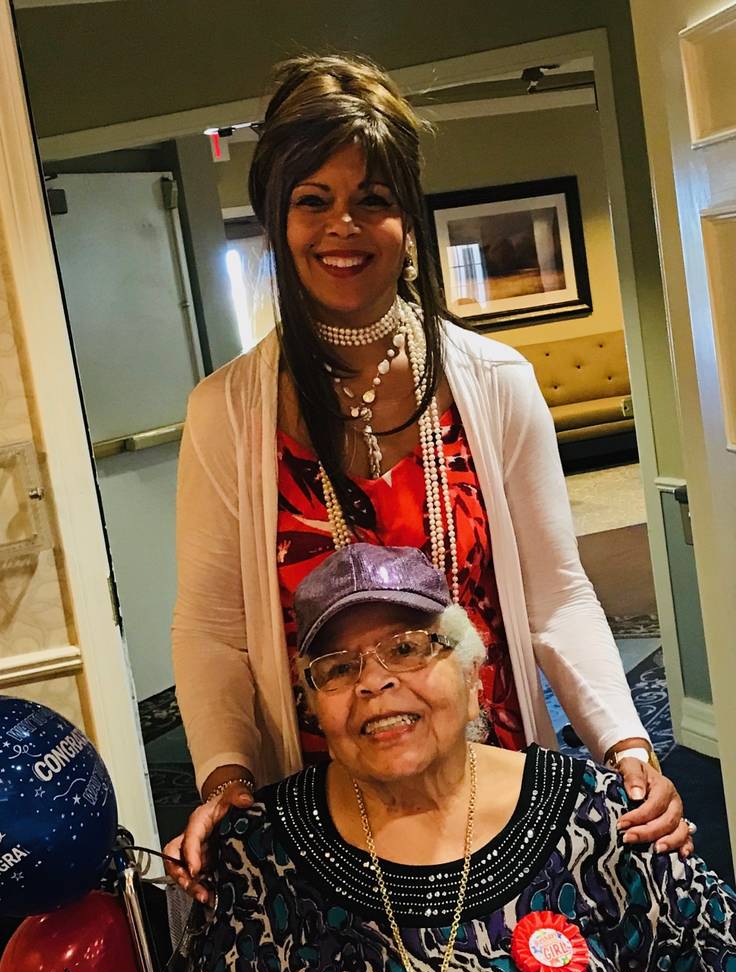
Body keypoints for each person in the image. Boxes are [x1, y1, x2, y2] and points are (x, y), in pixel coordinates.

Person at [170, 53, 691, 903]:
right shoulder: (225, 411)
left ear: (407, 218)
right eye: (314, 201)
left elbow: (557, 595)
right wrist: (225, 777)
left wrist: (627, 747)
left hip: (497, 777)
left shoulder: (494, 380)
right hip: (324, 798)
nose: (343, 227)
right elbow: (210, 630)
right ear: (277, 219)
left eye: (371, 200)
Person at [177, 545, 736, 972]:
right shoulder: (256, 857)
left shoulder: (598, 817)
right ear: (314, 709)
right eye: (338, 668)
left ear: (473, 674)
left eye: (410, 648)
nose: (374, 682)